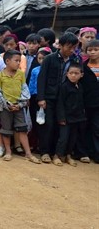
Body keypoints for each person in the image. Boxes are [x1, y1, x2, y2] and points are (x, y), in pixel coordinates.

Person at [37, 32, 80, 163]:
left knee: (60, 127)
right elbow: (42, 78)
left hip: (66, 101)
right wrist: (41, 98)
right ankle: (44, 152)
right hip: (49, 97)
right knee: (48, 125)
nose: (72, 50)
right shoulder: (50, 59)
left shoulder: (75, 60)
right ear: (60, 45)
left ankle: (57, 153)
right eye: (69, 47)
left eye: (74, 47)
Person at [0, 50, 41, 164]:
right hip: (5, 107)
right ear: (7, 61)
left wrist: (20, 104)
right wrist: (6, 104)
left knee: (22, 129)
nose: (19, 63)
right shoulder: (0, 75)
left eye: (19, 61)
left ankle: (28, 153)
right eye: (16, 61)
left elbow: (25, 90)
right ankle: (8, 151)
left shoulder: (20, 74)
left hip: (19, 106)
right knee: (6, 130)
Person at [54, 63, 87, 166]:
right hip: (66, 118)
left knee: (73, 138)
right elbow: (60, 103)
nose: (73, 75)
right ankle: (57, 155)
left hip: (77, 117)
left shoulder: (80, 86)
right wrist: (61, 118)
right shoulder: (64, 87)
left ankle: (68, 155)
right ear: (67, 74)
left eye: (76, 73)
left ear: (81, 75)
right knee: (63, 138)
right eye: (71, 73)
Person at [80, 40, 99, 163]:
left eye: (96, 49)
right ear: (86, 51)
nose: (92, 52)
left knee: (97, 128)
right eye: (90, 50)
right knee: (84, 128)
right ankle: (85, 152)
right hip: (86, 103)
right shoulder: (83, 67)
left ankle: (97, 154)